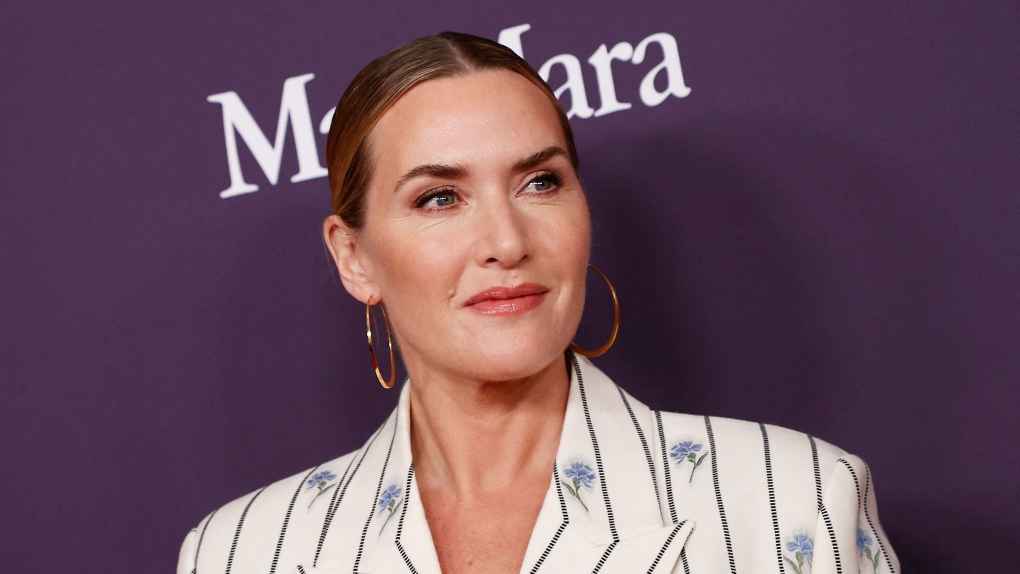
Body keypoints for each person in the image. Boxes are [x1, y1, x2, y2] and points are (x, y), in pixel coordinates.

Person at [177, 32, 898, 574]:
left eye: (540, 183)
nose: (506, 241)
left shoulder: (797, 500)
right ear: (354, 257)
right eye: (439, 198)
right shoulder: (240, 554)